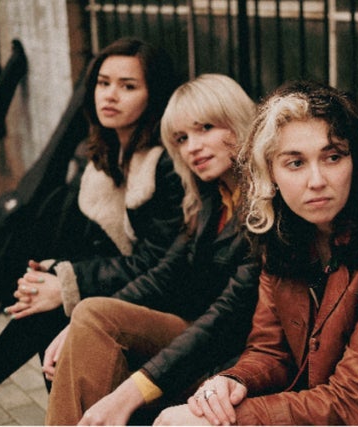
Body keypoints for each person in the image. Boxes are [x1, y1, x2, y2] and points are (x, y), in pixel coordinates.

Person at [153, 80, 358, 426]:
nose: (316, 180)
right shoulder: (283, 235)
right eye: (295, 163)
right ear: (270, 172)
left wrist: (230, 419)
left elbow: (355, 403)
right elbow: (270, 350)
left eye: (333, 157)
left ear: (355, 162)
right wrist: (232, 381)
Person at [43, 73, 261, 425]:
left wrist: (135, 389)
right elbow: (163, 275)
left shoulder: (266, 202)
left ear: (239, 122)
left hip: (240, 348)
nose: (192, 147)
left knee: (92, 319)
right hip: (196, 325)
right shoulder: (210, 196)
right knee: (91, 313)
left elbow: (229, 314)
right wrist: (77, 325)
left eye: (205, 128)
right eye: (182, 138)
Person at [0, 37, 184, 388]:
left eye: (128, 86)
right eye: (103, 83)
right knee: (44, 300)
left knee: (54, 306)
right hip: (118, 287)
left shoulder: (166, 165)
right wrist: (51, 273)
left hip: (163, 301)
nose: (110, 95)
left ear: (154, 95)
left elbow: (156, 264)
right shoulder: (103, 154)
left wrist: (67, 283)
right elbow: (87, 244)